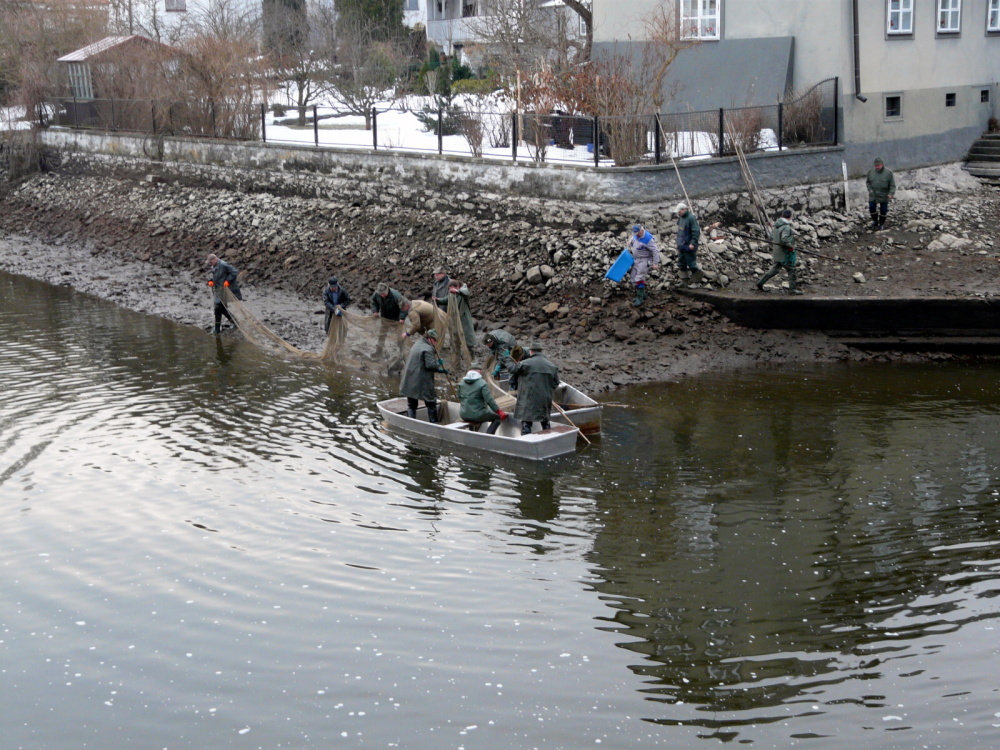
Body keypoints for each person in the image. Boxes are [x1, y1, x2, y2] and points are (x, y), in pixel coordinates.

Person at [507, 341, 559, 435]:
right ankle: (548, 439)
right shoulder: (552, 366)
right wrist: (546, 390)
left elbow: (512, 370)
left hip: (528, 398)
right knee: (545, 422)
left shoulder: (524, 363)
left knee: (526, 423)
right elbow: (556, 383)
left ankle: (526, 441)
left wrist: (508, 359)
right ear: (541, 351)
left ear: (531, 351)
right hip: (544, 399)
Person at [399, 328, 448, 423]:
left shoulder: (417, 344)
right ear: (430, 339)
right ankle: (434, 424)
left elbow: (423, 363)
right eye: (435, 340)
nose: (435, 343)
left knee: (412, 404)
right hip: (422, 381)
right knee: (431, 403)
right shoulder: (428, 349)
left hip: (409, 379)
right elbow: (430, 365)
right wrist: (438, 364)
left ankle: (411, 423)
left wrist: (439, 369)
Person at [756, 209, 803, 295]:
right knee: (791, 270)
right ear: (790, 217)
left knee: (775, 269)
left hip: (777, 252)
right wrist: (791, 246)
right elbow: (784, 239)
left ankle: (760, 283)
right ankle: (792, 289)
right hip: (785, 253)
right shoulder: (786, 227)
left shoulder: (777, 225)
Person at [458, 361, 508, 435]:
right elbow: (489, 400)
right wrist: (498, 411)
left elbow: (459, 397)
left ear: (469, 371)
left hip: (463, 414)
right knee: (497, 417)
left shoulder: (461, 383)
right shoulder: (482, 383)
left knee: (473, 416)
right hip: (479, 415)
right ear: (480, 371)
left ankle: (472, 433)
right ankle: (488, 435)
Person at [206, 253, 242, 334]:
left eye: (211, 262)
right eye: (209, 263)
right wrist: (210, 281)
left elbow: (234, 272)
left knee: (218, 308)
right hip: (219, 290)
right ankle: (234, 322)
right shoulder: (214, 266)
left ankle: (217, 329)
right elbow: (212, 275)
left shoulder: (223, 265)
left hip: (226, 290)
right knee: (221, 308)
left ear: (215, 259)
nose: (210, 264)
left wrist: (228, 281)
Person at [370, 282, 409, 356]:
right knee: (381, 334)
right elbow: (373, 302)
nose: (382, 295)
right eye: (380, 294)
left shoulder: (395, 295)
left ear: (387, 290)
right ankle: (379, 351)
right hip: (385, 317)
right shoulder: (376, 294)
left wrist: (402, 317)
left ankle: (401, 353)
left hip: (396, 318)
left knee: (399, 336)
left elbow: (405, 305)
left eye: (383, 293)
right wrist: (375, 311)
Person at [627, 224, 660, 307]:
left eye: (637, 233)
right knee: (633, 277)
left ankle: (640, 298)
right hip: (636, 260)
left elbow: (655, 251)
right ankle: (643, 294)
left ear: (641, 231)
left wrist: (655, 263)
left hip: (644, 261)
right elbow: (633, 238)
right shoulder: (636, 235)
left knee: (639, 278)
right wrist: (630, 241)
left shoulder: (648, 239)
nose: (636, 235)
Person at [674, 202, 703, 286]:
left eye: (679, 211)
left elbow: (696, 231)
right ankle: (684, 281)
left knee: (691, 264)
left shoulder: (691, 218)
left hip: (689, 245)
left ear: (684, 209)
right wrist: (678, 243)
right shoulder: (680, 218)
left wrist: (693, 243)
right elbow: (680, 232)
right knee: (681, 263)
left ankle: (696, 282)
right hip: (682, 246)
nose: (678, 213)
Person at [866, 157, 896, 231]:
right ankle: (875, 221)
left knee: (883, 210)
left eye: (878, 165)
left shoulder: (888, 173)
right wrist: (870, 190)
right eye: (875, 165)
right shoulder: (870, 172)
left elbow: (892, 185)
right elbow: (868, 182)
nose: (877, 167)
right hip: (873, 194)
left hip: (884, 194)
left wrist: (891, 193)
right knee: (871, 207)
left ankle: (882, 223)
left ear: (882, 164)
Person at [447, 279, 476, 350]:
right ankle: (457, 354)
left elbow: (466, 294)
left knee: (468, 339)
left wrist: (457, 291)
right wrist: (438, 300)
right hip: (456, 319)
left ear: (457, 287)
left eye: (452, 288)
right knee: (456, 338)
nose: (451, 290)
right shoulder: (452, 294)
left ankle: (471, 354)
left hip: (464, 319)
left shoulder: (463, 291)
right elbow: (447, 299)